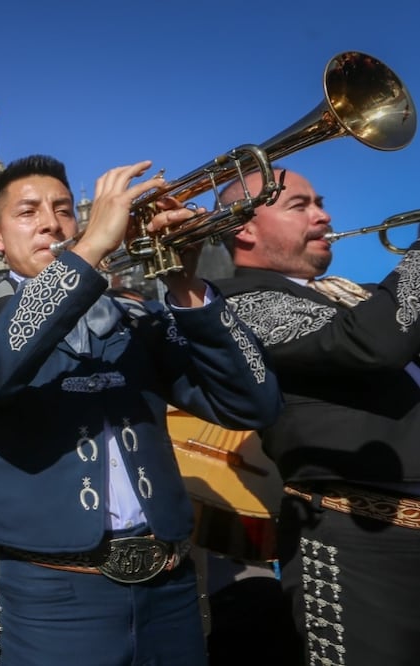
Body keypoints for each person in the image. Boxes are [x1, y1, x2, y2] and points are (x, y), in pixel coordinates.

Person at [0, 155, 282, 664]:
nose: (51, 222)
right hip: (55, 598)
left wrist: (185, 284)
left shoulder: (138, 316)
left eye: (65, 210)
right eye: (28, 212)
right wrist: (90, 249)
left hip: (171, 588)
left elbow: (254, 401)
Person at [216, 167, 420, 666]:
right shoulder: (239, 301)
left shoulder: (355, 293)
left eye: (320, 202)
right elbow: (372, 344)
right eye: (299, 205)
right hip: (356, 544)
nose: (323, 215)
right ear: (244, 228)